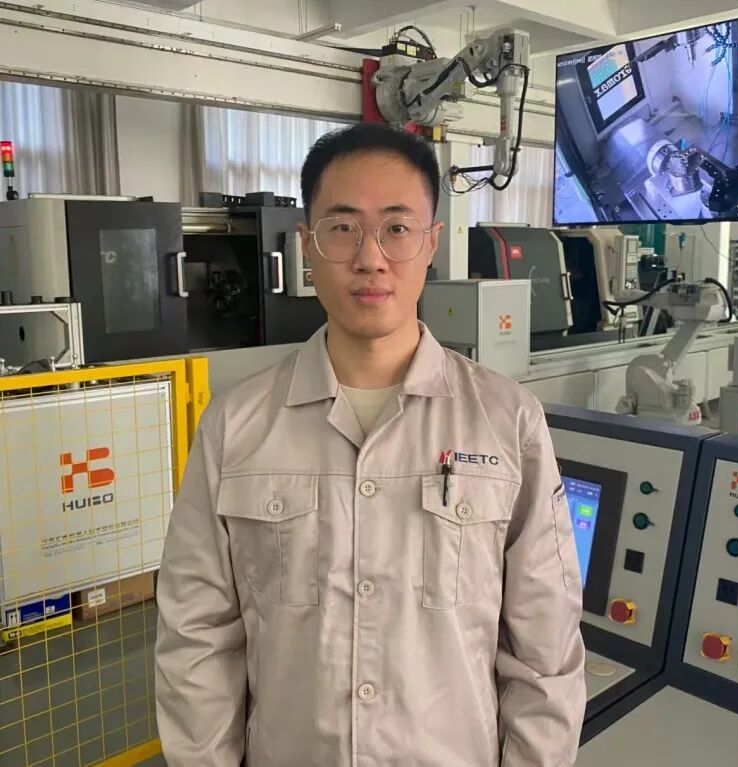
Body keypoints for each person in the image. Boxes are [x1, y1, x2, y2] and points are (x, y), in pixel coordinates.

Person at [155, 123, 586, 767]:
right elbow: (196, 640)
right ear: (307, 244)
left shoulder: (507, 423)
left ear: (431, 242)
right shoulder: (236, 427)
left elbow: (544, 650)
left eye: (397, 227)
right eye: (343, 228)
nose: (371, 258)